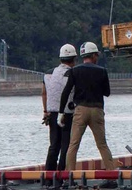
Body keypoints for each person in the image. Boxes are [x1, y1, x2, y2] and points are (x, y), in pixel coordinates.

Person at [60, 40, 116, 169]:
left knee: (73, 144)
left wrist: (61, 112)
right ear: (93, 55)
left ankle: (70, 176)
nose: (97, 57)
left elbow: (66, 91)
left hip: (80, 109)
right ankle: (111, 174)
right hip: (97, 110)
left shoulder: (75, 71)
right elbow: (107, 92)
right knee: (102, 144)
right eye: (96, 55)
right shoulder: (102, 71)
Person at [42, 43, 77, 171]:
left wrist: (45, 111)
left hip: (52, 113)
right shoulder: (73, 73)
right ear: (74, 59)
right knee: (65, 146)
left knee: (53, 146)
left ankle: (48, 176)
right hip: (67, 113)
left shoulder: (48, 74)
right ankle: (62, 176)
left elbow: (44, 93)